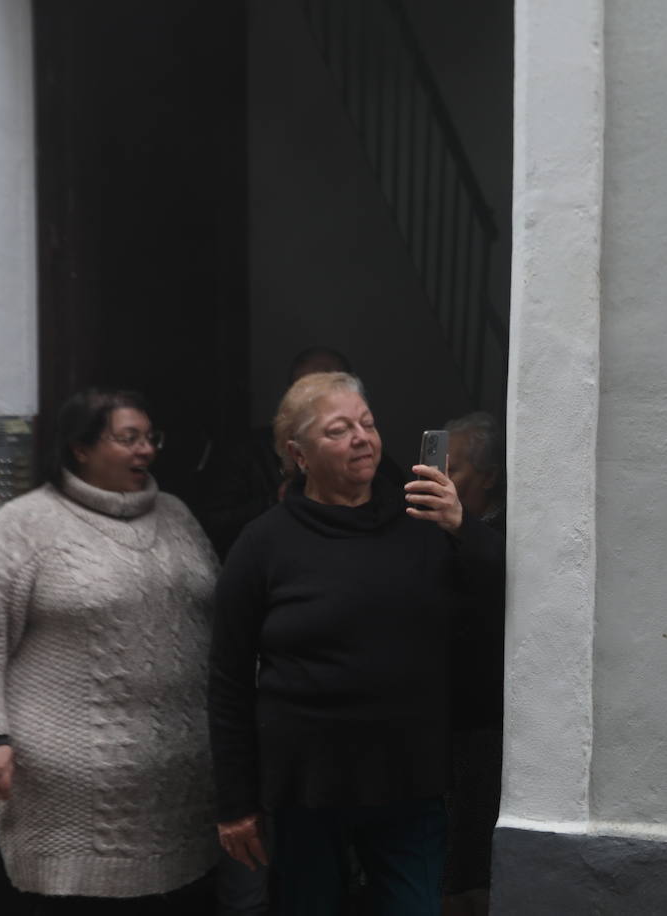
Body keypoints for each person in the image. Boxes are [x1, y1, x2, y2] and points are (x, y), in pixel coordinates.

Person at [208, 372, 501, 916]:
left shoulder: (423, 523)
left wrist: (465, 528)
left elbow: (497, 605)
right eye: (338, 430)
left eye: (367, 423)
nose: (361, 438)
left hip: (408, 782)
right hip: (305, 788)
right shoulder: (263, 545)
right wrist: (236, 804)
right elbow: (227, 680)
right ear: (298, 453)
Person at [0, 388, 219, 913]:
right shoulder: (26, 524)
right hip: (66, 791)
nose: (146, 451)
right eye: (127, 438)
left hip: (178, 789)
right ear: (80, 448)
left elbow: (219, 615)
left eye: (149, 438)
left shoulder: (178, 516)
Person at [440, 412, 505, 916]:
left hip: (482, 718)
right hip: (430, 718)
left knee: (471, 854)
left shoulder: (505, 528)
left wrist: (461, 528)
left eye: (454, 470)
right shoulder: (424, 525)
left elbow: (505, 581)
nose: (441, 479)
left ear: (486, 476)